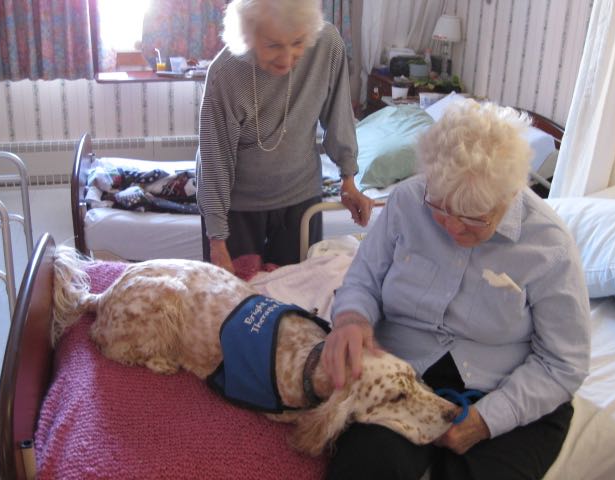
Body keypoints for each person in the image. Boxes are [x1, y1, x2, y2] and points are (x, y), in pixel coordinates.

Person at [321, 99, 591, 480]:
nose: (451, 227)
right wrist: (351, 318)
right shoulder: (407, 200)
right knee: (364, 467)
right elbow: (363, 280)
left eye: (473, 220)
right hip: (405, 374)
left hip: (504, 387)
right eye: (441, 208)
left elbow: (564, 363)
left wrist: (489, 419)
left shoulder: (549, 245)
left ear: (509, 196)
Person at [197, 0, 373, 273]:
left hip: (301, 200)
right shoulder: (226, 74)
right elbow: (214, 162)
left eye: (298, 42)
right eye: (273, 45)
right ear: (248, 36)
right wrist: (217, 241)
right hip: (239, 209)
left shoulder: (327, 45)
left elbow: (339, 116)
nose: (287, 58)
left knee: (296, 301)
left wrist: (348, 178)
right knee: (237, 304)